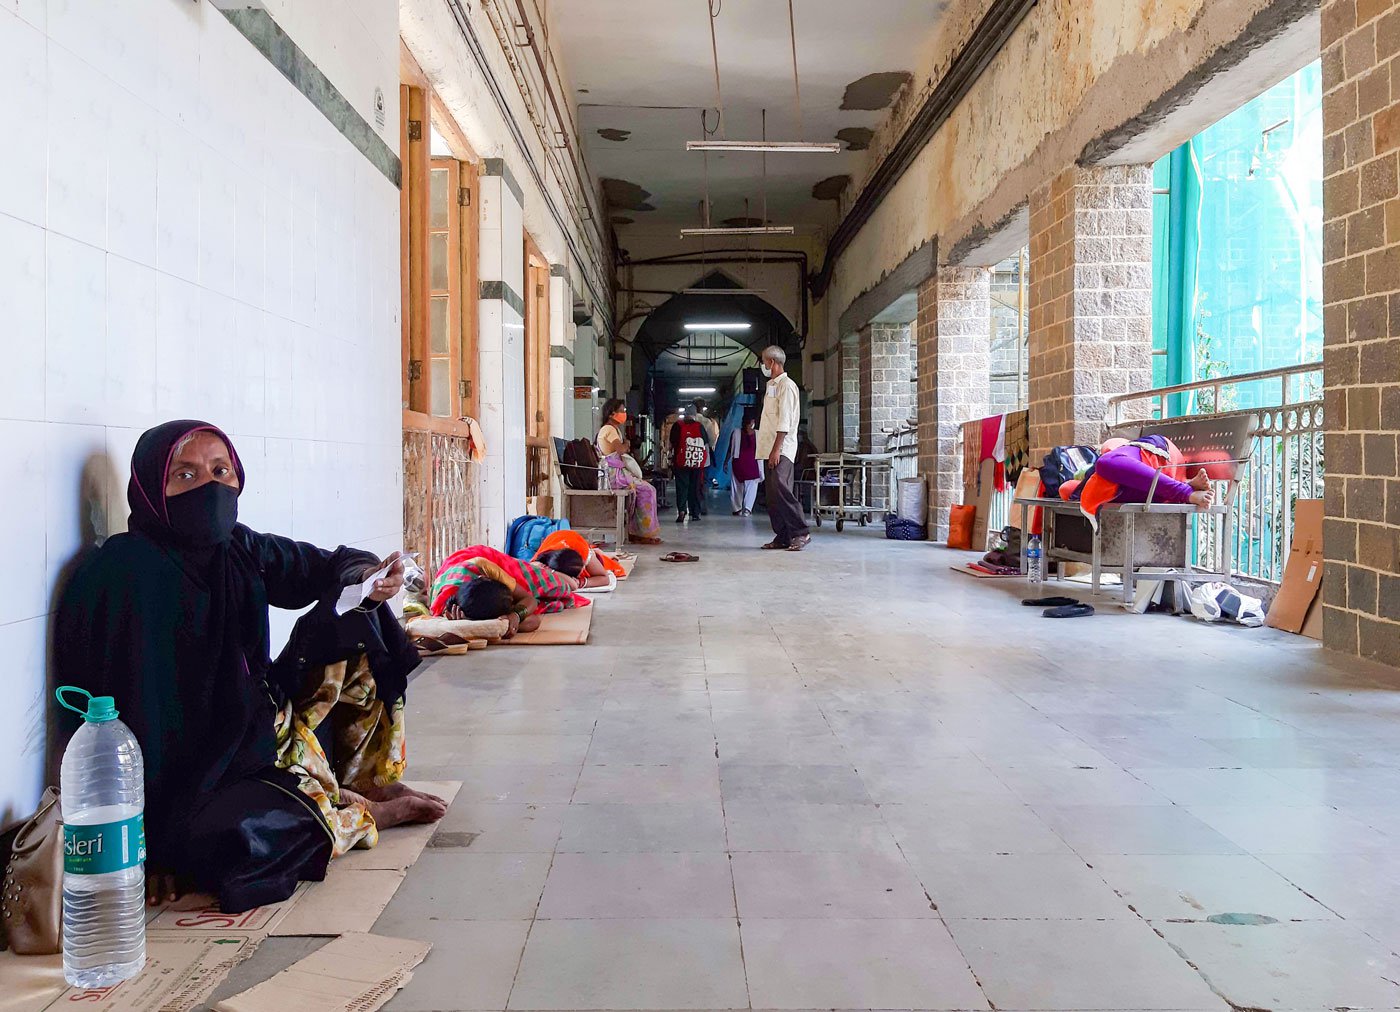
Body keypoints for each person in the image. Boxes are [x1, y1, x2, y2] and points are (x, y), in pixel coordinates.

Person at [54, 421, 446, 915]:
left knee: (359, 617)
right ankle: (365, 814)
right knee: (246, 839)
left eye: (221, 472)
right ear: (152, 488)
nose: (210, 488)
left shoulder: (237, 548)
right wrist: (143, 844)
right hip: (177, 783)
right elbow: (114, 721)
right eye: (187, 475)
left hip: (255, 736)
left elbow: (328, 566)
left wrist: (368, 577)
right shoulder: (123, 575)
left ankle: (361, 783)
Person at [429, 544, 588, 629]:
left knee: (558, 587)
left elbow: (528, 598)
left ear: (484, 578)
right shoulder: (444, 610)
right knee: (549, 604)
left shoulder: (485, 568)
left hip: (483, 558)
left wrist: (516, 615)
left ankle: (544, 570)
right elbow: (533, 621)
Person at [756, 345, 812, 551]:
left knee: (781, 488)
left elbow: (785, 421)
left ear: (772, 362)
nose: (763, 365)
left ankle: (801, 532)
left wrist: (776, 450)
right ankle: (783, 536)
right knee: (772, 495)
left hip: (781, 449)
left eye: (764, 361)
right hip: (768, 448)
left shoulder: (787, 386)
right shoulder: (772, 386)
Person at [596, 398, 663, 544]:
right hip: (613, 475)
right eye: (621, 411)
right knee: (647, 490)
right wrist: (626, 444)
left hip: (616, 472)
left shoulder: (613, 430)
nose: (624, 413)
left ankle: (637, 531)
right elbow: (621, 450)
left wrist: (625, 444)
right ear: (612, 414)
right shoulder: (609, 429)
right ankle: (641, 533)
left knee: (645, 488)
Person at [670, 408, 708, 522]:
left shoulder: (677, 426)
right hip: (696, 463)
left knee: (682, 487)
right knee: (695, 487)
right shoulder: (699, 426)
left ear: (685, 414)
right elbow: (706, 443)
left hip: (681, 462)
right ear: (694, 415)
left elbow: (672, 443)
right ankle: (695, 513)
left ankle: (682, 511)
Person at [729, 413, 763, 516]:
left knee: (736, 487)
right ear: (753, 422)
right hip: (752, 464)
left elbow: (730, 449)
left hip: (738, 463)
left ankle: (737, 508)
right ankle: (748, 509)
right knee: (752, 487)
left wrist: (726, 462)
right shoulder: (758, 434)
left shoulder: (736, 432)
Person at [692, 399, 720, 514]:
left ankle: (692, 507)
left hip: (690, 457)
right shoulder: (707, 422)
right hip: (704, 457)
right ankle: (702, 507)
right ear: (702, 408)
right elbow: (712, 440)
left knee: (692, 482)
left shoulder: (687, 421)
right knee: (703, 482)